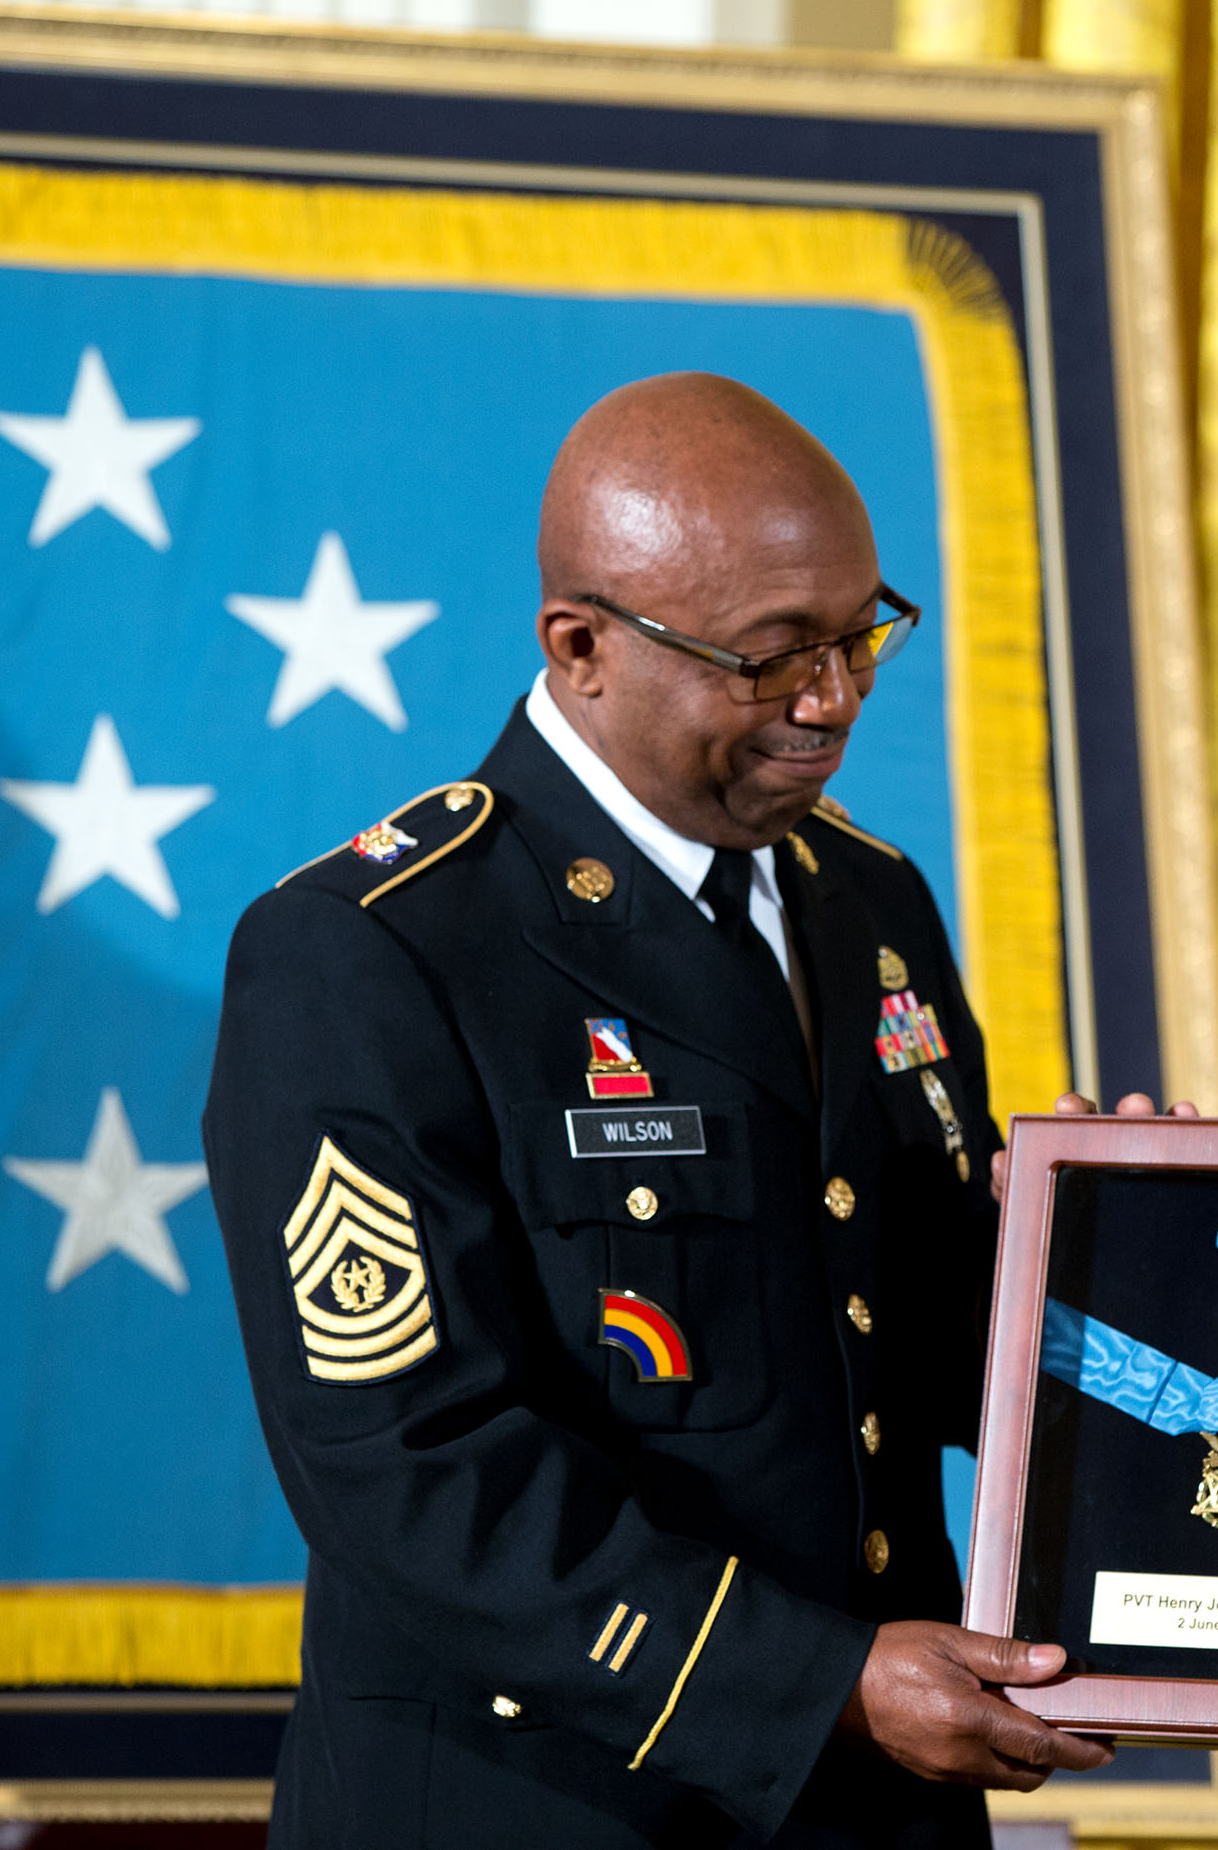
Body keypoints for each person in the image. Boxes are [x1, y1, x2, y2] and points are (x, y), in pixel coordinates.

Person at [204, 372, 1110, 1849]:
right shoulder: (376, 949)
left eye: (858, 632)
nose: (833, 700)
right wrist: (821, 1680)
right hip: (545, 1808)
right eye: (769, 660)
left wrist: (1101, 1240)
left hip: (872, 1802)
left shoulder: (865, 898)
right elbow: (409, 1469)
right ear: (584, 649)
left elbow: (900, 1339)